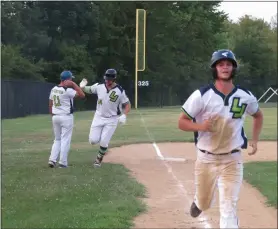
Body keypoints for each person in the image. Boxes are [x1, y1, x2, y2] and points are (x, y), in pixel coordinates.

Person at [178, 49, 263, 228]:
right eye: (221, 64)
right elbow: (182, 122)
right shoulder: (201, 95)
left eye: (228, 64)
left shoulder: (245, 95)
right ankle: (199, 203)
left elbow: (258, 115)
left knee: (228, 207)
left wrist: (254, 140)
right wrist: (201, 126)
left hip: (232, 159)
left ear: (233, 68)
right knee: (204, 202)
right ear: (214, 69)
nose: (225, 67)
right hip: (205, 159)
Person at [79, 68, 131, 168]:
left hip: (112, 119)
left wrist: (124, 115)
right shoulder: (99, 87)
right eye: (106, 79)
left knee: (104, 141)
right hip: (98, 117)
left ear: (114, 79)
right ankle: (101, 145)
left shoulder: (120, 91)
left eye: (109, 80)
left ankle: (99, 159)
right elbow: (88, 89)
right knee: (93, 140)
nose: (107, 81)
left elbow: (127, 104)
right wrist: (82, 86)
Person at [48, 70, 85, 168]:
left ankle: (52, 160)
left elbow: (50, 103)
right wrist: (74, 84)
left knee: (57, 139)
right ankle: (63, 163)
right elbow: (82, 95)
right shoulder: (68, 90)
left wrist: (52, 114)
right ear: (67, 79)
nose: (72, 80)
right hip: (66, 117)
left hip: (55, 116)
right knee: (65, 140)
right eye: (71, 79)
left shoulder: (54, 89)